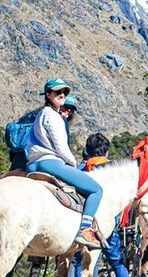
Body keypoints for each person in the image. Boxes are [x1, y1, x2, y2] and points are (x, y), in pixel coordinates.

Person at [70, 133, 148, 277]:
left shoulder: (81, 169)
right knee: (117, 263)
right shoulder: (112, 169)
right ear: (106, 151)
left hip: (83, 223)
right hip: (108, 225)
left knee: (77, 259)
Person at [26, 78, 103, 248]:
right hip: (51, 163)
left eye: (65, 93)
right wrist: (72, 164)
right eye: (57, 92)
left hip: (32, 165)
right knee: (96, 190)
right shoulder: (53, 116)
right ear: (48, 94)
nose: (62, 95)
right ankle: (85, 229)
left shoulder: (39, 115)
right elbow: (61, 147)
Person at [62, 133, 111, 277]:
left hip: (76, 213)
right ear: (105, 151)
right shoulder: (108, 168)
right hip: (97, 217)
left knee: (74, 255)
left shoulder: (80, 168)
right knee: (93, 257)